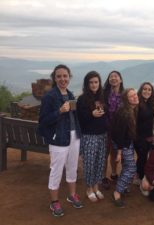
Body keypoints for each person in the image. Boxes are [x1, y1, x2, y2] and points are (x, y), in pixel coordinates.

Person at [38, 64, 83, 217]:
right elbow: (43, 120)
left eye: (65, 76)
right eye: (59, 76)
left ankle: (72, 195)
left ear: (69, 77)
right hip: (58, 139)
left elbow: (74, 117)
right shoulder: (50, 96)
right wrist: (59, 111)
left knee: (72, 167)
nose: (62, 79)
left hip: (73, 136)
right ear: (54, 78)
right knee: (56, 170)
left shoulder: (70, 94)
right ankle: (54, 202)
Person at [76, 71, 108, 202]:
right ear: (86, 84)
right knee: (89, 163)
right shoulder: (82, 99)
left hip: (102, 135)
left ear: (99, 83)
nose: (94, 85)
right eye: (91, 82)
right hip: (89, 136)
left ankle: (96, 186)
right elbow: (80, 119)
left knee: (100, 162)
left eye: (96, 82)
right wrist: (91, 114)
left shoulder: (102, 97)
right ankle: (89, 188)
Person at [111, 88, 139, 208]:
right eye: (131, 96)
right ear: (126, 100)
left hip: (127, 142)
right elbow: (119, 134)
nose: (135, 97)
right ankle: (117, 192)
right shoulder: (124, 113)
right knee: (132, 168)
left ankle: (124, 187)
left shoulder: (131, 110)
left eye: (135, 94)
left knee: (127, 166)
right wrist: (119, 152)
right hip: (123, 144)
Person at [102, 71, 124, 189]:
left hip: (118, 129)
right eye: (111, 76)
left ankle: (114, 173)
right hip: (105, 128)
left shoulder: (124, 95)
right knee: (104, 153)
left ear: (120, 80)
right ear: (109, 80)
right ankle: (103, 176)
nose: (113, 78)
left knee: (114, 153)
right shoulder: (104, 93)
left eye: (116, 76)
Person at [134, 82, 154, 184]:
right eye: (145, 89)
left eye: (149, 90)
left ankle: (140, 175)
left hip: (149, 136)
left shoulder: (151, 103)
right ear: (141, 90)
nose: (147, 91)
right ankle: (140, 176)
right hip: (139, 137)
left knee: (145, 157)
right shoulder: (137, 104)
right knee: (142, 157)